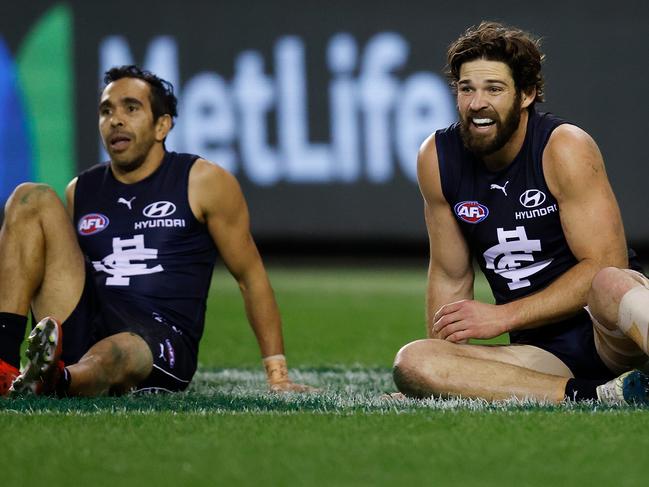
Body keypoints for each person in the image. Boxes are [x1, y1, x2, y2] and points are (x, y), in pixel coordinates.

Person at [0, 65, 313, 396]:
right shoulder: (81, 189)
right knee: (30, 197)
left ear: (162, 125)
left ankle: (56, 382)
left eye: (131, 108)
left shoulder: (202, 181)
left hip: (159, 338)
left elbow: (251, 277)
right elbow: (61, 272)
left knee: (117, 351)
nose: (116, 120)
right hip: (89, 321)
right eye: (106, 111)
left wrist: (277, 374)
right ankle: (5, 370)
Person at [391, 21, 649, 405]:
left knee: (611, 282)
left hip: (609, 332)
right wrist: (446, 368)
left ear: (526, 94)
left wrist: (503, 317)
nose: (478, 103)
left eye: (494, 89)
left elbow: (602, 265)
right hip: (542, 354)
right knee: (414, 361)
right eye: (466, 89)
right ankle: (593, 396)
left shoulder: (564, 146)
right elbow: (450, 274)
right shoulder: (437, 158)